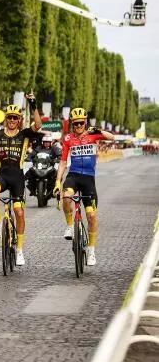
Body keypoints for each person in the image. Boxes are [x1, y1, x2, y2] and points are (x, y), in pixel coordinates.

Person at [0, 94, 42, 266]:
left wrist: (33, 104)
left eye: (15, 118)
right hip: (3, 175)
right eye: (9, 117)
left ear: (20, 120)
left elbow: (38, 124)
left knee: (19, 212)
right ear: (6, 119)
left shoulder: (24, 134)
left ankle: (20, 250)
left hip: (17, 178)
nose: (12, 120)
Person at [54, 108, 114, 266]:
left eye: (81, 123)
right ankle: (69, 226)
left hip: (88, 179)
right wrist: (57, 181)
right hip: (73, 176)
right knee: (66, 197)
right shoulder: (68, 139)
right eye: (76, 123)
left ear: (85, 122)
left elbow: (112, 137)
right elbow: (62, 162)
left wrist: (99, 130)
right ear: (72, 124)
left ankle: (92, 250)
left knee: (92, 216)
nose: (79, 126)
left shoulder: (93, 134)